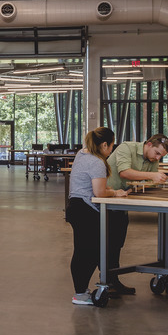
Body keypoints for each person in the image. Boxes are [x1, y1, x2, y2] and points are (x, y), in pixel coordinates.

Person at [101, 134, 168, 296]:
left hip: (122, 201)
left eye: (161, 156)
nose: (158, 158)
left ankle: (112, 280)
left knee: (117, 241)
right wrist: (152, 176)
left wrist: (145, 183)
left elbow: (149, 182)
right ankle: (106, 281)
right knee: (107, 241)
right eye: (157, 153)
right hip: (106, 198)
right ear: (148, 144)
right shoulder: (126, 148)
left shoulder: (152, 159)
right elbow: (124, 172)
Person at [65, 126, 129, 306]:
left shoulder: (82, 154)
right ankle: (80, 294)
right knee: (88, 252)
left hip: (76, 206)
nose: (111, 151)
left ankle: (82, 291)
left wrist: (109, 190)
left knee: (83, 251)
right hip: (85, 210)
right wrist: (115, 193)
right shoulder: (97, 162)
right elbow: (99, 192)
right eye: (111, 146)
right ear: (104, 145)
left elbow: (90, 184)